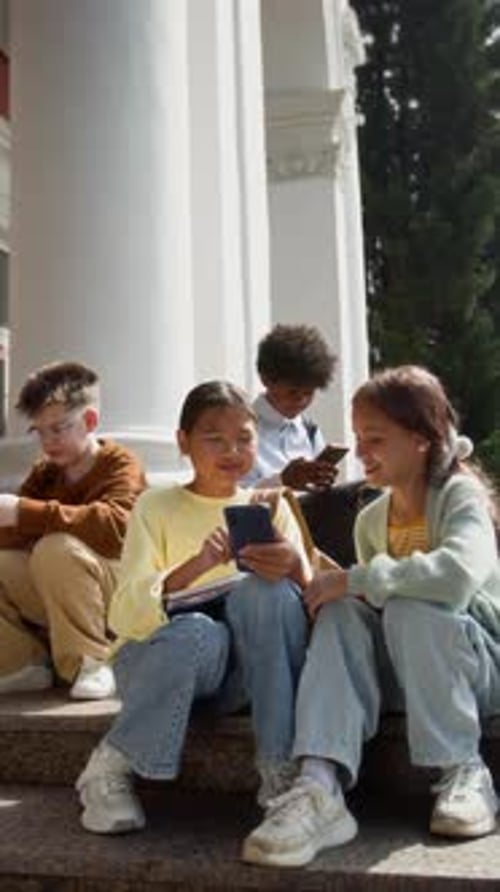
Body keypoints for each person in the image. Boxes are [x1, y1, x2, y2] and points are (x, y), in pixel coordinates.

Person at [244, 364, 500, 867]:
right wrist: (331, 589)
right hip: (410, 673)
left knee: (408, 603)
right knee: (343, 612)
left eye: (375, 439)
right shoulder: (370, 519)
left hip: (480, 668)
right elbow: (371, 601)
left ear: (421, 438)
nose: (360, 452)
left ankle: (462, 768)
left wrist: (357, 580)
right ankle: (319, 785)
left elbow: (455, 578)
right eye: (359, 437)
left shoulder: (457, 495)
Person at [76, 380, 311, 835]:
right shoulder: (156, 504)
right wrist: (198, 565)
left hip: (239, 678)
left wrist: (293, 570)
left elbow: (302, 603)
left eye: (244, 438)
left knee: (267, 594)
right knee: (199, 631)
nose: (232, 450)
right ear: (183, 442)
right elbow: (124, 613)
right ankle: (110, 768)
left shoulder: (269, 507)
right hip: (160, 658)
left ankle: (278, 768)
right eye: (214, 438)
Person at [0, 361, 146, 700]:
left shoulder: (121, 464)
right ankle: (22, 664)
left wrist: (23, 512)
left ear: (90, 421)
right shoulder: (45, 473)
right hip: (66, 586)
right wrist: (13, 517)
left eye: (59, 428)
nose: (49, 442)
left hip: (120, 592)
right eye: (40, 431)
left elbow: (114, 527)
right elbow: (19, 532)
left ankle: (91, 662)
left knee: (56, 548)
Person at [244, 324, 338, 490]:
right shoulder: (242, 430)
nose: (301, 401)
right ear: (265, 379)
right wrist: (282, 481)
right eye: (292, 392)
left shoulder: (310, 431)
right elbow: (230, 497)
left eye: (309, 393)